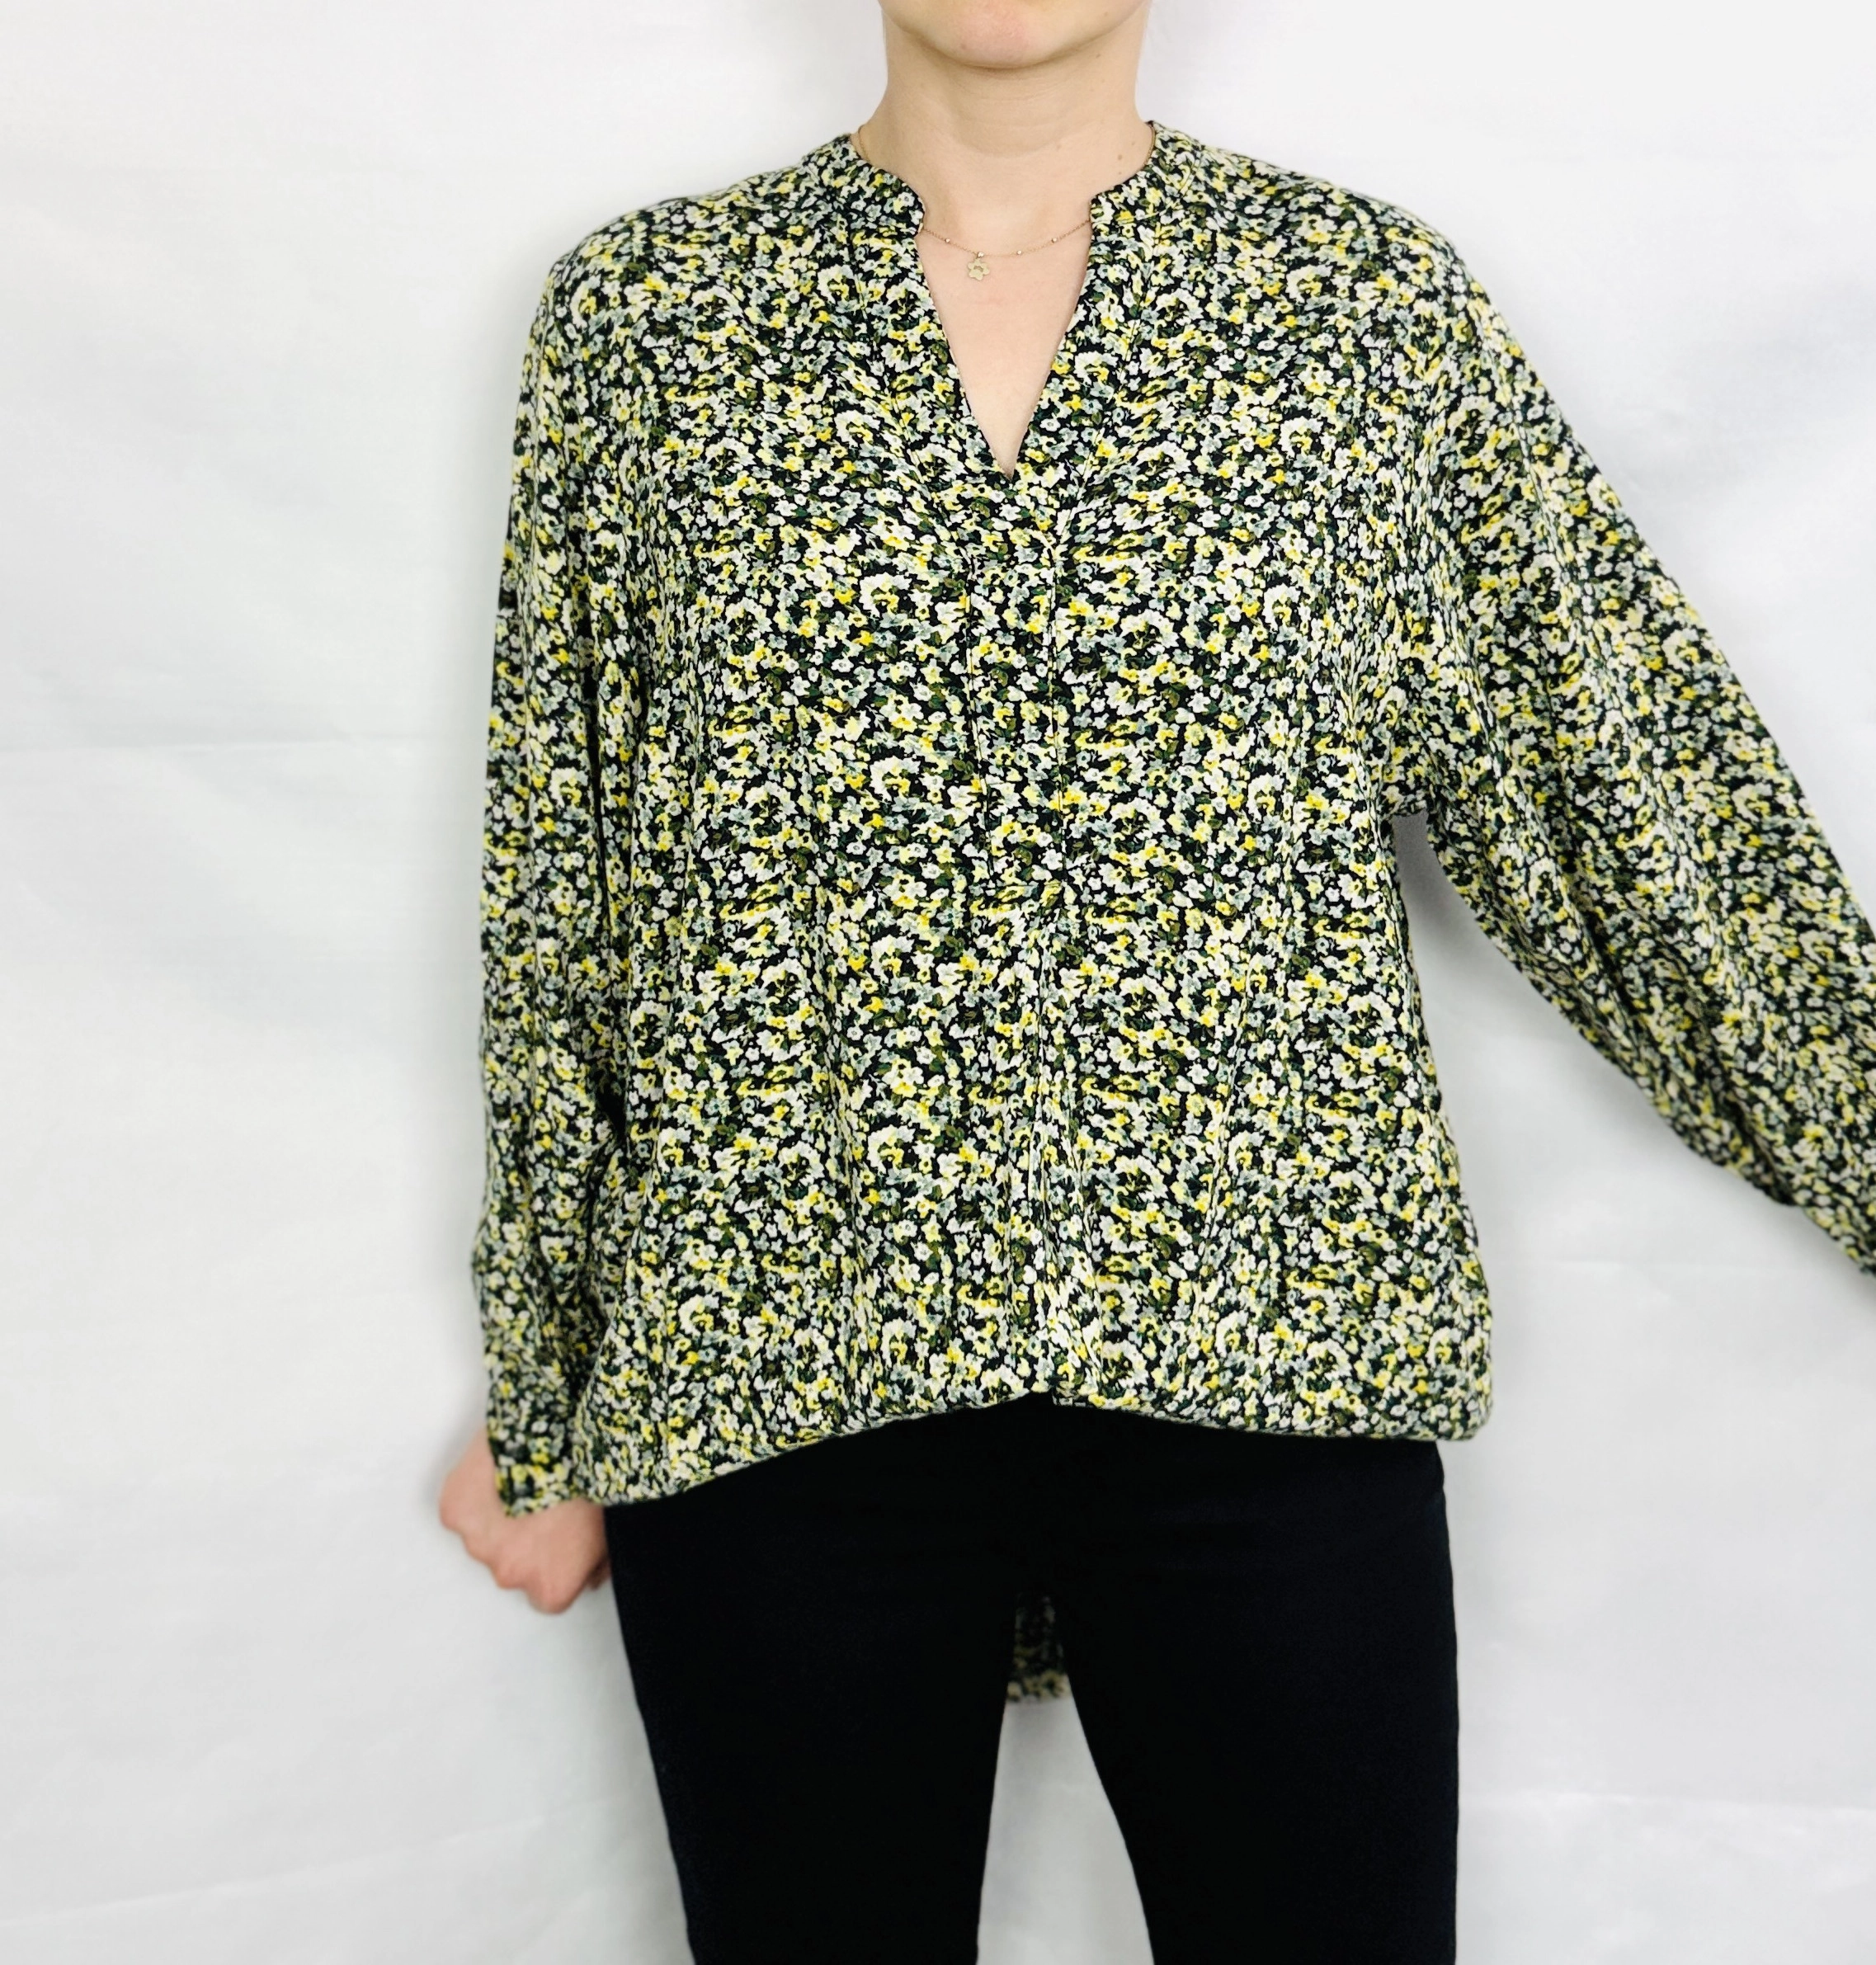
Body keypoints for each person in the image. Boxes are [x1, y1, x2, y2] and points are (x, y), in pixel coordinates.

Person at [440, 2, 1876, 1958]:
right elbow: (567, 872)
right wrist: (545, 1383)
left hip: (1272, 1351)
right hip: (775, 1369)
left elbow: (1619, 791)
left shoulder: (1358, 315)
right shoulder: (646, 322)